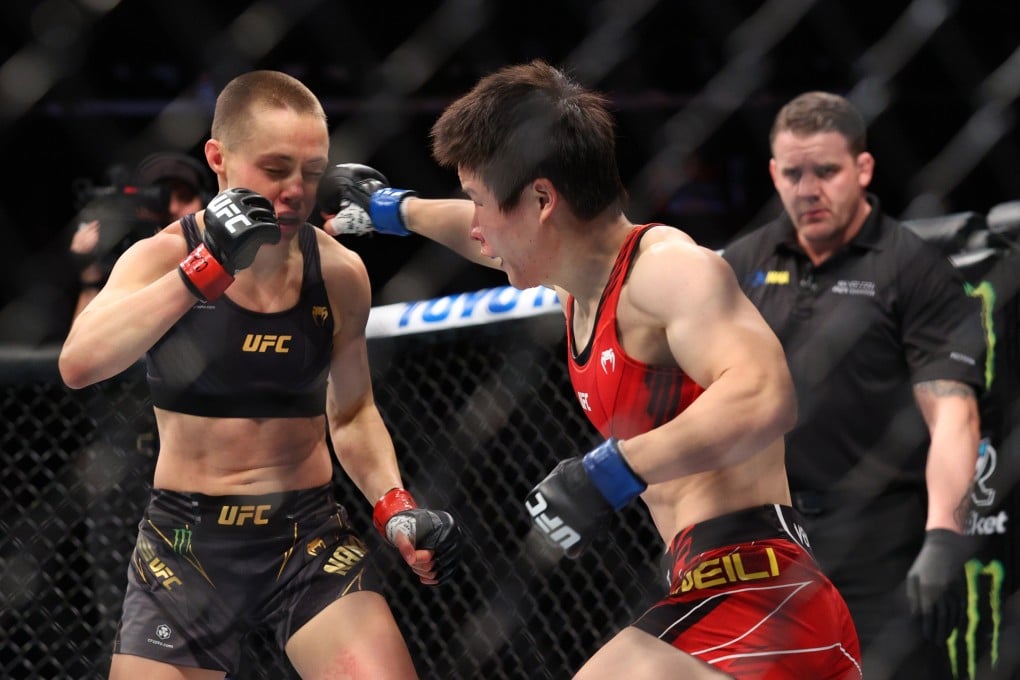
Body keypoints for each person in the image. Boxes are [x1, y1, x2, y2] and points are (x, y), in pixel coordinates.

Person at [319, 59, 862, 679]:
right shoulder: (578, 285)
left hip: (762, 594)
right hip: (718, 592)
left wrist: (613, 470)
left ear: (542, 199)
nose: (475, 225)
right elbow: (486, 239)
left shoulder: (668, 271)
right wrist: (395, 210)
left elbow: (765, 395)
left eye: (478, 201)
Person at [58, 69, 462, 680]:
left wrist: (394, 505)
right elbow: (79, 365)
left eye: (311, 170)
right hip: (185, 545)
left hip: (308, 538)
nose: (296, 190)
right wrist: (202, 271)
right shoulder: (161, 257)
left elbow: (351, 412)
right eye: (275, 170)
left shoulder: (341, 273)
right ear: (218, 158)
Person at [720, 91, 984, 679]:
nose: (808, 189)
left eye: (826, 171)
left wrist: (943, 535)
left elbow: (953, 414)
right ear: (773, 174)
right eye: (793, 173)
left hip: (877, 534)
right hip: (769, 533)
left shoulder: (912, 268)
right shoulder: (740, 266)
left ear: (862, 169)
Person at [69, 152, 213, 320]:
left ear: (204, 202)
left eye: (184, 197)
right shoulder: (126, 257)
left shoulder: (224, 257)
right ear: (141, 208)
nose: (173, 208)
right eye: (160, 201)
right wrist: (90, 273)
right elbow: (87, 343)